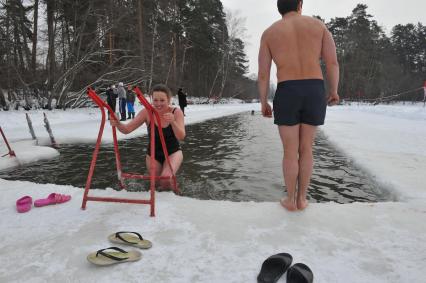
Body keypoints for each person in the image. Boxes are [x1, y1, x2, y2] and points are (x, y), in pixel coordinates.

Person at [258, 0, 339, 211]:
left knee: (289, 151)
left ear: (279, 7)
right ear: (300, 4)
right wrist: (333, 91)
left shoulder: (269, 33)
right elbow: (332, 62)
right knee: (306, 149)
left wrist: (263, 100)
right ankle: (302, 199)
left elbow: (264, 73)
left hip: (287, 90)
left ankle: (290, 200)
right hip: (314, 89)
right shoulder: (318, 26)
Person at [110, 84, 185, 188]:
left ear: (168, 100)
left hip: (173, 151)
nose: (158, 104)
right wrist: (117, 123)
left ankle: (176, 195)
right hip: (153, 153)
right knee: (156, 184)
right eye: (155, 100)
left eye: (162, 100)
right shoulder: (147, 112)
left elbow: (181, 136)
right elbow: (127, 129)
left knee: (166, 179)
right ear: (151, 99)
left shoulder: (176, 112)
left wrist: (173, 122)